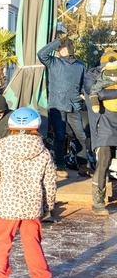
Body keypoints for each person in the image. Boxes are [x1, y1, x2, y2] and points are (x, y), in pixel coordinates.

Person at [0, 107, 61, 278]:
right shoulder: (43, 153)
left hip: (6, 207)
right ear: (36, 128)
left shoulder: (0, 151)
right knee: (32, 244)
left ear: (11, 127)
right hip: (32, 208)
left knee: (1, 245)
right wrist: (48, 206)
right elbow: (50, 183)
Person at [37, 36, 91, 179]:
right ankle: (60, 166)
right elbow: (41, 54)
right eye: (59, 47)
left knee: (81, 136)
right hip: (57, 105)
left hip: (75, 105)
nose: (60, 49)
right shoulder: (54, 62)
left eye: (63, 47)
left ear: (70, 49)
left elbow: (84, 84)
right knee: (59, 137)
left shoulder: (80, 65)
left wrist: (84, 96)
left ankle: (83, 165)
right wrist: (57, 42)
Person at [86, 48, 117, 215]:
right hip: (104, 122)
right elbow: (97, 92)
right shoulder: (92, 76)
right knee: (104, 160)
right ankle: (98, 201)